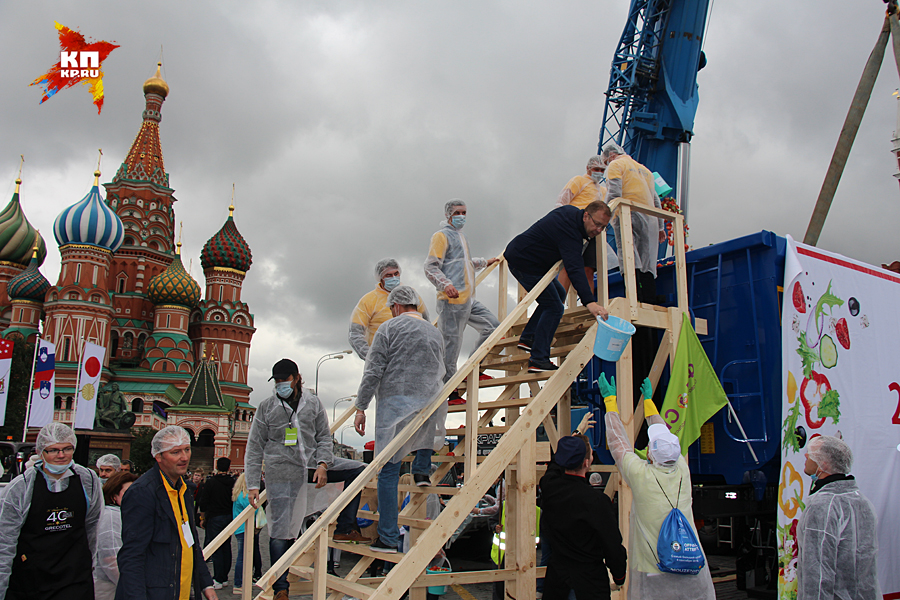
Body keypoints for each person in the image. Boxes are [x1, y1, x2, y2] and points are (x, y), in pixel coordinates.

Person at [246, 359, 370, 600]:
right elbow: (253, 447)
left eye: (285, 379)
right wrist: (252, 483)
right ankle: (280, 587)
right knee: (281, 530)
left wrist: (324, 464)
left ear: (296, 377)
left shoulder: (313, 403)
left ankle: (346, 527)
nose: (281, 384)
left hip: (313, 464)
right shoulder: (267, 407)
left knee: (359, 470)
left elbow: (324, 436)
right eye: (278, 381)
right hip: (282, 470)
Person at [600, 374, 714, 599]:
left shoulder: (641, 475)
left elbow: (617, 443)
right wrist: (650, 404)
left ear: (650, 454)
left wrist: (610, 402)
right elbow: (665, 439)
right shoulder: (682, 470)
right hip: (691, 568)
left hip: (653, 568)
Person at [354, 285, 446, 553]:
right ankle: (421, 468)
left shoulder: (389, 329)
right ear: (415, 305)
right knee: (422, 438)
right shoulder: (435, 332)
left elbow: (373, 370)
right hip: (428, 402)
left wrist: (361, 406)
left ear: (395, 306)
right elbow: (442, 368)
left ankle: (387, 537)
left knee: (388, 469)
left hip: (395, 405)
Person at [504, 199, 611, 372]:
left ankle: (529, 337)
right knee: (554, 307)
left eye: (603, 227)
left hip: (530, 260)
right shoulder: (570, 231)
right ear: (586, 216)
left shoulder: (571, 213)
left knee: (559, 294)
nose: (598, 231)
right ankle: (538, 359)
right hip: (524, 263)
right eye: (597, 224)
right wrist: (589, 302)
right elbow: (575, 268)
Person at [0, 422, 103, 600]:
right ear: (41, 452)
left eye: (67, 449)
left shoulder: (88, 480)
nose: (61, 455)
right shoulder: (21, 487)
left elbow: (92, 527)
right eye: (53, 450)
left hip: (74, 579)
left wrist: (90, 565)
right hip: (30, 581)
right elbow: (5, 542)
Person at [116, 425, 216, 600]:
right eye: (175, 452)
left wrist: (206, 583)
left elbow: (191, 542)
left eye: (186, 449)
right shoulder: (143, 492)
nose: (184, 457)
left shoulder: (185, 490)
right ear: (159, 456)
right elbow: (132, 556)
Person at [540, 435, 627, 600]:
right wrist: (619, 576)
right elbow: (612, 546)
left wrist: (575, 435)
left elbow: (553, 467)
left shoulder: (550, 488)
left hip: (557, 581)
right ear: (587, 463)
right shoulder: (596, 501)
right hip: (589, 583)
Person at [425, 199, 500, 384]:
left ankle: (473, 368)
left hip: (468, 299)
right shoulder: (441, 236)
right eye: (457, 213)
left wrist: (484, 262)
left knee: (493, 327)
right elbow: (431, 267)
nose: (461, 216)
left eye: (464, 213)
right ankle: (450, 389)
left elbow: (463, 263)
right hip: (451, 301)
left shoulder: (462, 237)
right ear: (448, 214)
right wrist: (445, 284)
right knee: (451, 347)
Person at [797, 435, 879, 600]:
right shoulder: (862, 501)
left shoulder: (823, 505)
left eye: (811, 454)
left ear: (824, 464)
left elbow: (817, 572)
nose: (805, 456)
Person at [598, 142, 666, 300]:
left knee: (628, 256)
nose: (608, 164)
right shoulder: (646, 171)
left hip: (627, 215)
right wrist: (661, 227)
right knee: (647, 260)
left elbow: (614, 192)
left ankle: (634, 298)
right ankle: (649, 298)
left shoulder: (616, 165)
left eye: (606, 162)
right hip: (649, 219)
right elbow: (656, 201)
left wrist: (603, 217)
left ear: (611, 156)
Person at [555, 156, 617, 293]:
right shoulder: (579, 181)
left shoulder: (602, 190)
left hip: (593, 232)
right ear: (588, 168)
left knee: (588, 268)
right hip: (576, 227)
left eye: (602, 170)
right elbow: (562, 201)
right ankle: (558, 303)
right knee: (568, 266)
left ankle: (588, 304)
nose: (599, 172)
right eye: (596, 169)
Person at [349, 258, 431, 360]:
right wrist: (372, 358)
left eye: (396, 273)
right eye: (388, 275)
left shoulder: (411, 294)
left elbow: (426, 323)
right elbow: (355, 333)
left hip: (413, 357)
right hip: (383, 359)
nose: (394, 277)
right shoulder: (368, 301)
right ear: (380, 278)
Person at [94, 470, 140, 599]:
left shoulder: (126, 515)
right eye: (128, 493)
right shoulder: (111, 516)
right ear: (114, 496)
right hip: (109, 588)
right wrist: (134, 587)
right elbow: (111, 558)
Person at [199, 457, 235, 589]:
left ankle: (218, 578)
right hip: (229, 517)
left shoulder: (211, 482)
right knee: (226, 547)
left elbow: (204, 501)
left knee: (217, 548)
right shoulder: (233, 482)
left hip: (214, 518)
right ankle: (224, 577)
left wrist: (203, 518)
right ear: (229, 468)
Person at [231, 473, 263, 596]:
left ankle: (242, 580)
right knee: (242, 556)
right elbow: (253, 509)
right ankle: (238, 583)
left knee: (244, 555)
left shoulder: (237, 494)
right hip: (245, 528)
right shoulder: (244, 496)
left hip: (240, 528)